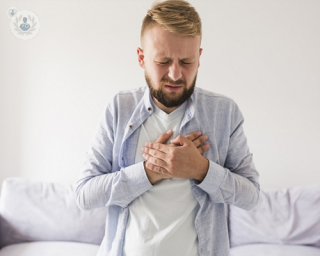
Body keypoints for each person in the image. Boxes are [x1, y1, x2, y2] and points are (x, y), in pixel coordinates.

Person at [75, 0, 260, 255]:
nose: (175, 74)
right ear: (141, 58)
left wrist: (200, 169)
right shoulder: (119, 108)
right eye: (163, 61)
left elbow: (251, 196)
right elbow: (84, 195)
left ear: (199, 58)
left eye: (186, 62)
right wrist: (151, 172)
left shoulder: (224, 112)